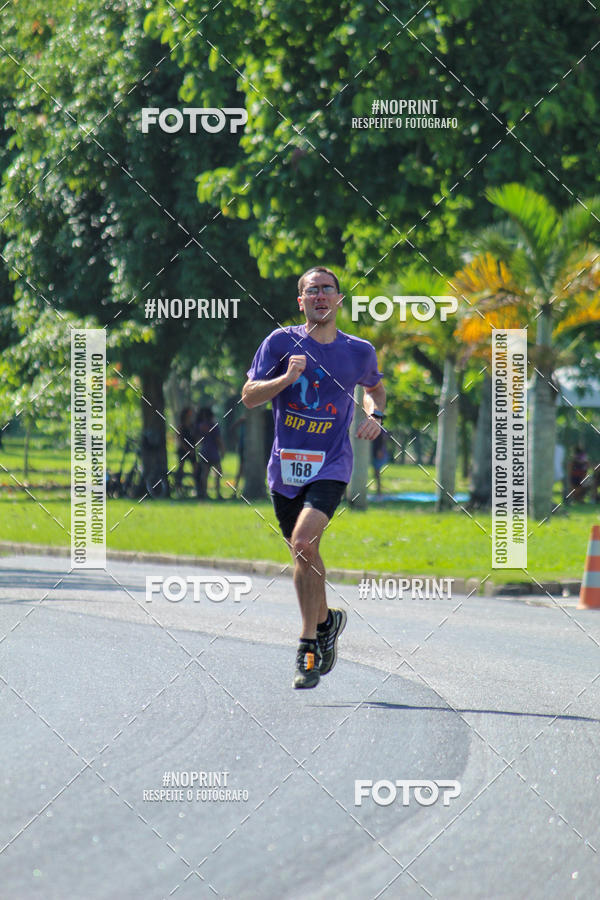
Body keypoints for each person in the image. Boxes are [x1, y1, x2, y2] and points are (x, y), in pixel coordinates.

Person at [242, 265, 385, 689]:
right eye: (311, 291)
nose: (320, 296)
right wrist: (286, 378)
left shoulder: (359, 350)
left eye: (328, 289)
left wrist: (376, 415)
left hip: (332, 463)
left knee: (303, 542)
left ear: (339, 300)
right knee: (305, 555)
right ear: (300, 301)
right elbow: (249, 396)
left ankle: (307, 646)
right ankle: (326, 623)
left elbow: (374, 388)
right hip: (285, 469)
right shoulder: (280, 343)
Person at [195, 407, 225, 499]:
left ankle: (204, 493)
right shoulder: (213, 425)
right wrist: (223, 450)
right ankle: (217, 492)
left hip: (203, 451)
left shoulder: (200, 426)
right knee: (219, 472)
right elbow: (218, 439)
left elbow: (197, 439)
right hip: (213, 452)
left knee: (205, 473)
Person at [174, 406, 199, 493]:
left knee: (196, 468)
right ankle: (178, 486)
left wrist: (193, 448)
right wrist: (187, 449)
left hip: (192, 450)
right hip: (183, 450)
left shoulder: (192, 426)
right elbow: (180, 439)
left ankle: (197, 487)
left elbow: (195, 438)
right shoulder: (181, 426)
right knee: (181, 468)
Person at [372, 430, 388, 496]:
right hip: (375, 452)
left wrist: (379, 450)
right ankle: (379, 490)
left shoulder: (379, 429)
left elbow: (382, 439)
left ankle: (379, 491)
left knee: (377, 473)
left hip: (378, 452)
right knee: (376, 473)